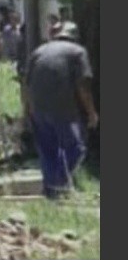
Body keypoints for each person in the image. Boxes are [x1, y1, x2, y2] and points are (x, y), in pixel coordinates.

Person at [23, 25, 98, 200]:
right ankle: (60, 182)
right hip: (63, 108)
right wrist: (91, 112)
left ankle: (52, 190)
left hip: (38, 107)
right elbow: (82, 86)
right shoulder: (78, 52)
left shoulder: (39, 51)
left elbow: (26, 83)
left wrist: (26, 109)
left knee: (48, 150)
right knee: (76, 147)